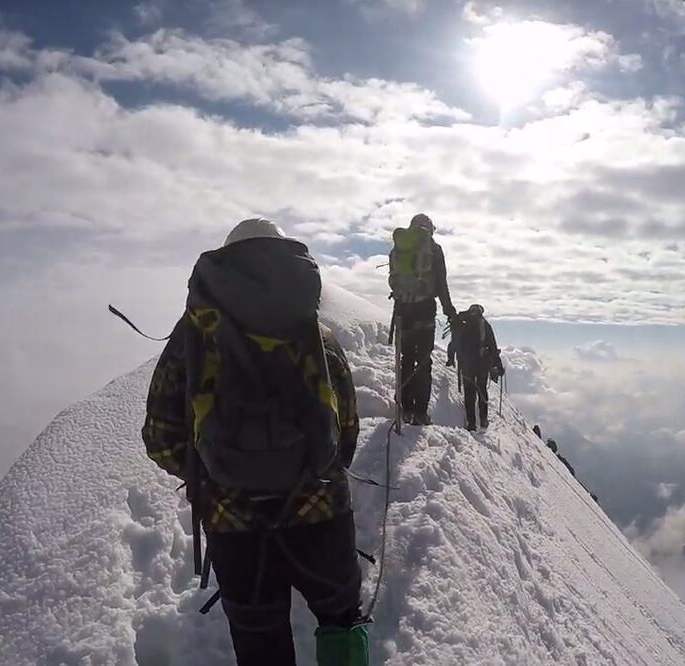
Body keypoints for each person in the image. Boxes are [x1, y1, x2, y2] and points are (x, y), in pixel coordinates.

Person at [141, 218, 368, 666]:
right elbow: (346, 431)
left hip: (234, 523)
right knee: (341, 620)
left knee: (259, 641)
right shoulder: (316, 335)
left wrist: (212, 473)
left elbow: (160, 437)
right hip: (320, 512)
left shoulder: (193, 337)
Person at [388, 213, 457, 425]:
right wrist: (449, 311)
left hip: (402, 309)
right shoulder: (434, 250)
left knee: (406, 358)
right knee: (423, 361)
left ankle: (405, 408)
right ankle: (420, 413)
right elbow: (441, 283)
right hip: (425, 309)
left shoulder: (399, 248)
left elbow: (394, 279)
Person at [450, 304, 504, 431]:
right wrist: (499, 366)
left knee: (469, 392)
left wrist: (451, 357)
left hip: (466, 363)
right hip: (482, 363)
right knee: (482, 390)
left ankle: (472, 424)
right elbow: (492, 346)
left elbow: (454, 342)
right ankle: (483, 420)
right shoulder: (484, 325)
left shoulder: (462, 322)